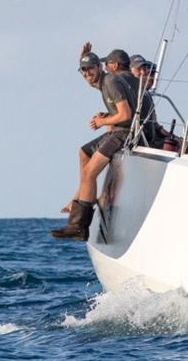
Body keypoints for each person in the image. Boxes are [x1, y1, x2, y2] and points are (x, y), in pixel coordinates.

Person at [51, 51, 136, 241]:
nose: (87, 74)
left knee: (90, 173)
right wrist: (82, 57)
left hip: (123, 133)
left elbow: (125, 115)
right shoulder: (103, 82)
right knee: (83, 153)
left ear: (100, 67)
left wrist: (101, 122)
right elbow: (92, 83)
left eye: (90, 69)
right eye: (83, 71)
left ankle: (78, 226)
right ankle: (81, 198)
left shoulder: (111, 82)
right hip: (116, 131)